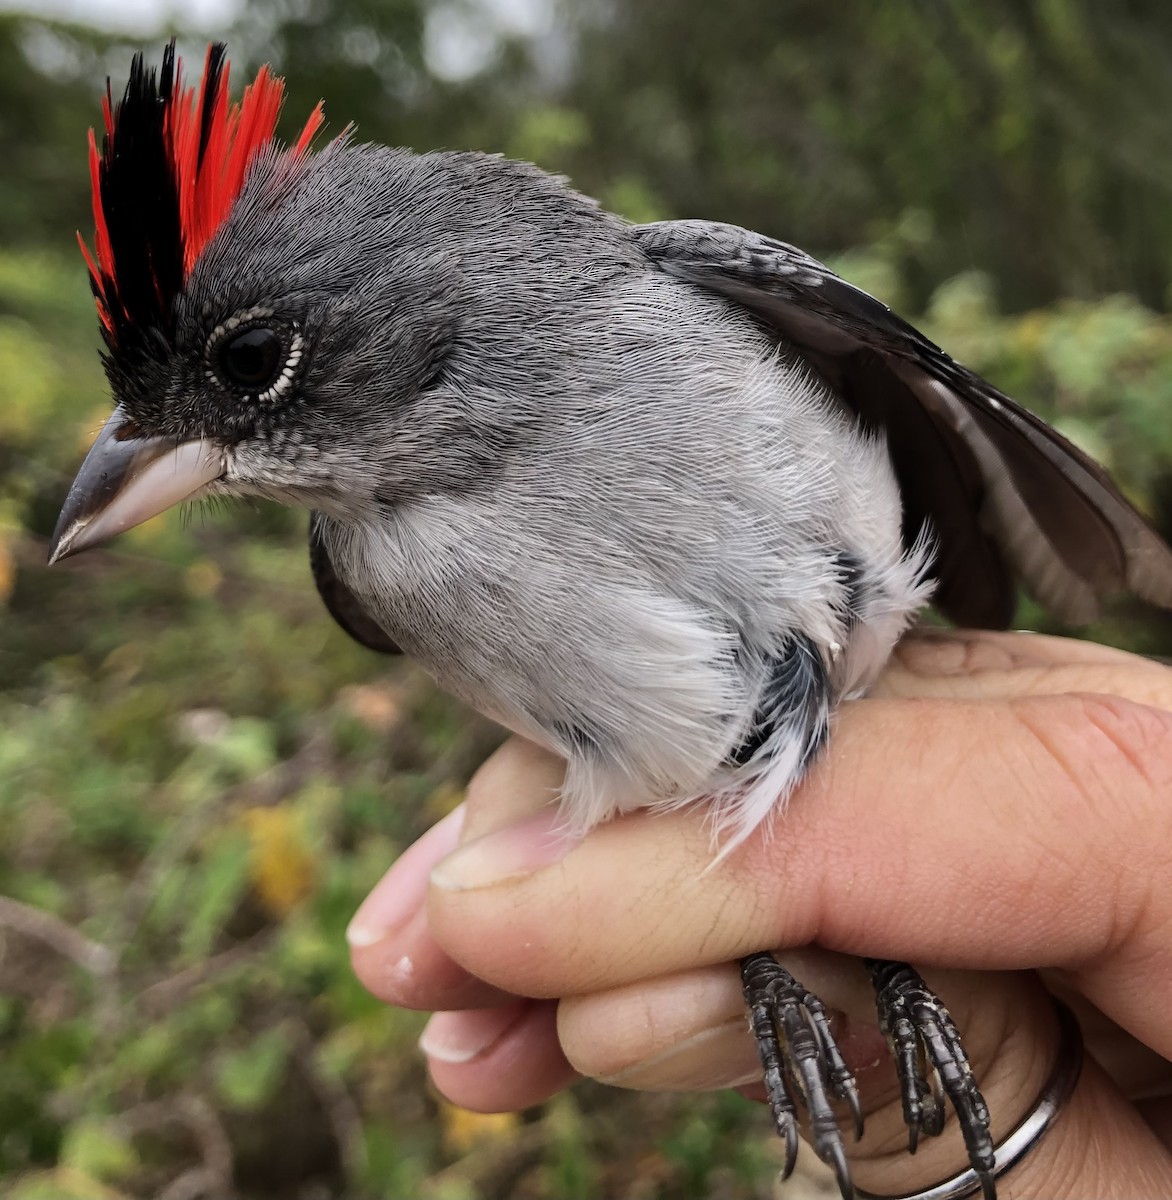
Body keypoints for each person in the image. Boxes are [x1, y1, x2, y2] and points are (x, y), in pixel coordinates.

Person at [346, 629, 1172, 1197]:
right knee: (724, 875)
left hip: (840, 700)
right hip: (723, 780)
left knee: (763, 866)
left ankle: (876, 978)